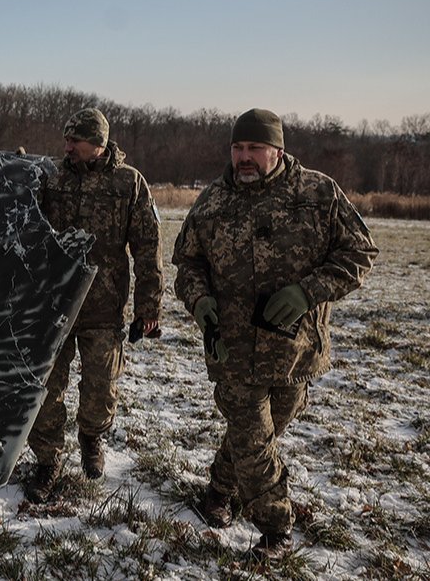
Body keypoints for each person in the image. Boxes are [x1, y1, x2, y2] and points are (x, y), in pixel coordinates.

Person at [173, 108, 377, 560]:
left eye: (254, 149)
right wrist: (198, 299)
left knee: (260, 436)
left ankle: (218, 493)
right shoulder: (211, 203)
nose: (244, 158)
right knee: (252, 437)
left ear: (277, 151)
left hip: (294, 352)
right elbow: (187, 265)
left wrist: (309, 292)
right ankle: (277, 530)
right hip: (230, 349)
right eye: (237, 148)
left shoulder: (317, 193)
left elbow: (360, 251)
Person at [25, 107, 164, 501]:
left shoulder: (128, 183)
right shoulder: (51, 177)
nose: (67, 146)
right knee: (47, 388)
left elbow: (148, 247)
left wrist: (149, 306)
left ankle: (91, 438)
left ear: (98, 144)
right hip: (54, 306)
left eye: (75, 141)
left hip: (104, 306)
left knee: (101, 387)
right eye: (66, 139)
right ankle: (47, 460)